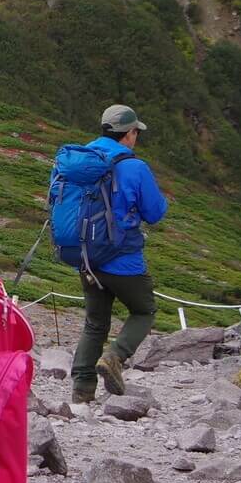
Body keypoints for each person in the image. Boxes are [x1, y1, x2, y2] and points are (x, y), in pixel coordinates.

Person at [62, 105, 168, 405]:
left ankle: (82, 391)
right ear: (128, 133)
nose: (137, 138)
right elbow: (155, 213)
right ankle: (115, 357)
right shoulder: (135, 167)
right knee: (144, 310)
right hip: (123, 260)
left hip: (85, 257)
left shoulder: (79, 161)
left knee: (95, 323)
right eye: (136, 132)